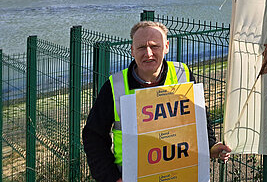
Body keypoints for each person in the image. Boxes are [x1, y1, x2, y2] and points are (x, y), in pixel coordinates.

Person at [82, 21, 231, 182]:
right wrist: (111, 178)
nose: (148, 53)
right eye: (141, 47)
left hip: (181, 174)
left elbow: (200, 117)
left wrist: (210, 145)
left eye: (155, 46)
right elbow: (93, 135)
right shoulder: (115, 85)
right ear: (132, 51)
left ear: (166, 47)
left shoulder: (183, 74)